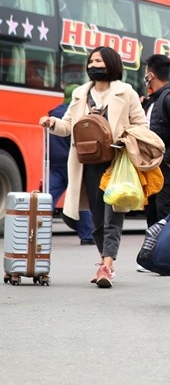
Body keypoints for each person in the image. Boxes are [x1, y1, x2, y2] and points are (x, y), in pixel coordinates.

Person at [39, 47, 148, 288]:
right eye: (91, 61)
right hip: (87, 164)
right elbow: (67, 126)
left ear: (111, 64)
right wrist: (52, 123)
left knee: (113, 215)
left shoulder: (125, 92)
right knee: (98, 218)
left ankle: (107, 264)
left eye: (98, 60)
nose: (93, 64)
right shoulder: (80, 93)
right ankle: (104, 260)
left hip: (117, 163)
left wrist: (124, 138)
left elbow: (142, 124)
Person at [140, 54, 170, 228]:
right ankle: (153, 249)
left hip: (164, 164)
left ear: (150, 75)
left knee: (162, 207)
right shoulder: (154, 99)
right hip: (151, 163)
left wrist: (167, 160)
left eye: (146, 72)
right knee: (150, 207)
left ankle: (166, 248)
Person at [48, 84, 95, 245]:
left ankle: (37, 229)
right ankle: (87, 235)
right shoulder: (77, 113)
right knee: (80, 198)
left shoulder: (54, 113)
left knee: (47, 198)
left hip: (55, 164)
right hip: (71, 163)